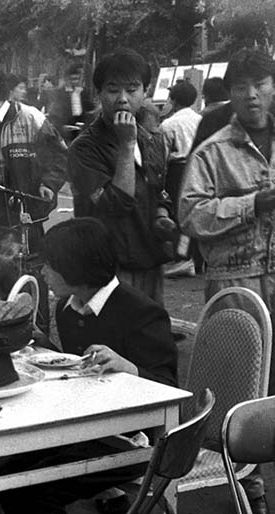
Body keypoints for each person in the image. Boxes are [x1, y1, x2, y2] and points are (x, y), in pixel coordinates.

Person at [0, 216, 177, 514]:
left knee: (33, 490)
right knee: (7, 473)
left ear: (75, 268)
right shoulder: (68, 309)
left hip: (135, 440)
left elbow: (170, 388)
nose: (43, 272)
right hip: (86, 428)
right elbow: (78, 367)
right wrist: (42, 343)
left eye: (49, 265)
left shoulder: (141, 312)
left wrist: (126, 366)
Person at [179, 48, 275, 514]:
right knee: (242, 395)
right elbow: (190, 216)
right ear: (230, 94)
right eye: (241, 86)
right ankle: (246, 491)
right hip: (237, 284)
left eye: (261, 84)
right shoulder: (213, 150)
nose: (252, 94)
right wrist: (252, 204)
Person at [67, 48, 176, 305]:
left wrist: (162, 214)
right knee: (111, 342)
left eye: (132, 89)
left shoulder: (152, 139)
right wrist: (127, 146)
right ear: (98, 94)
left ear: (145, 93)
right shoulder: (84, 148)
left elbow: (159, 190)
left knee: (150, 337)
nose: (123, 99)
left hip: (150, 259)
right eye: (113, 89)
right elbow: (115, 204)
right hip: (109, 266)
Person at [0, 64, 68, 334]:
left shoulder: (29, 118)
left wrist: (49, 184)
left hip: (24, 220)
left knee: (30, 282)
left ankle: (38, 339)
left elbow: (59, 156)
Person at [160, 81, 201, 279]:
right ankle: (198, 258)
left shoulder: (169, 124)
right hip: (199, 168)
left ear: (174, 100)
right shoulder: (200, 120)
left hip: (178, 171)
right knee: (197, 210)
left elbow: (163, 156)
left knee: (179, 215)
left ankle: (184, 257)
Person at [48, 63, 95, 143]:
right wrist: (62, 127)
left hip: (82, 134)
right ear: (67, 79)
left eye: (78, 79)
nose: (76, 82)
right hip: (65, 135)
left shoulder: (83, 93)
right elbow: (54, 116)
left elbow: (90, 110)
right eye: (73, 79)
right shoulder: (60, 94)